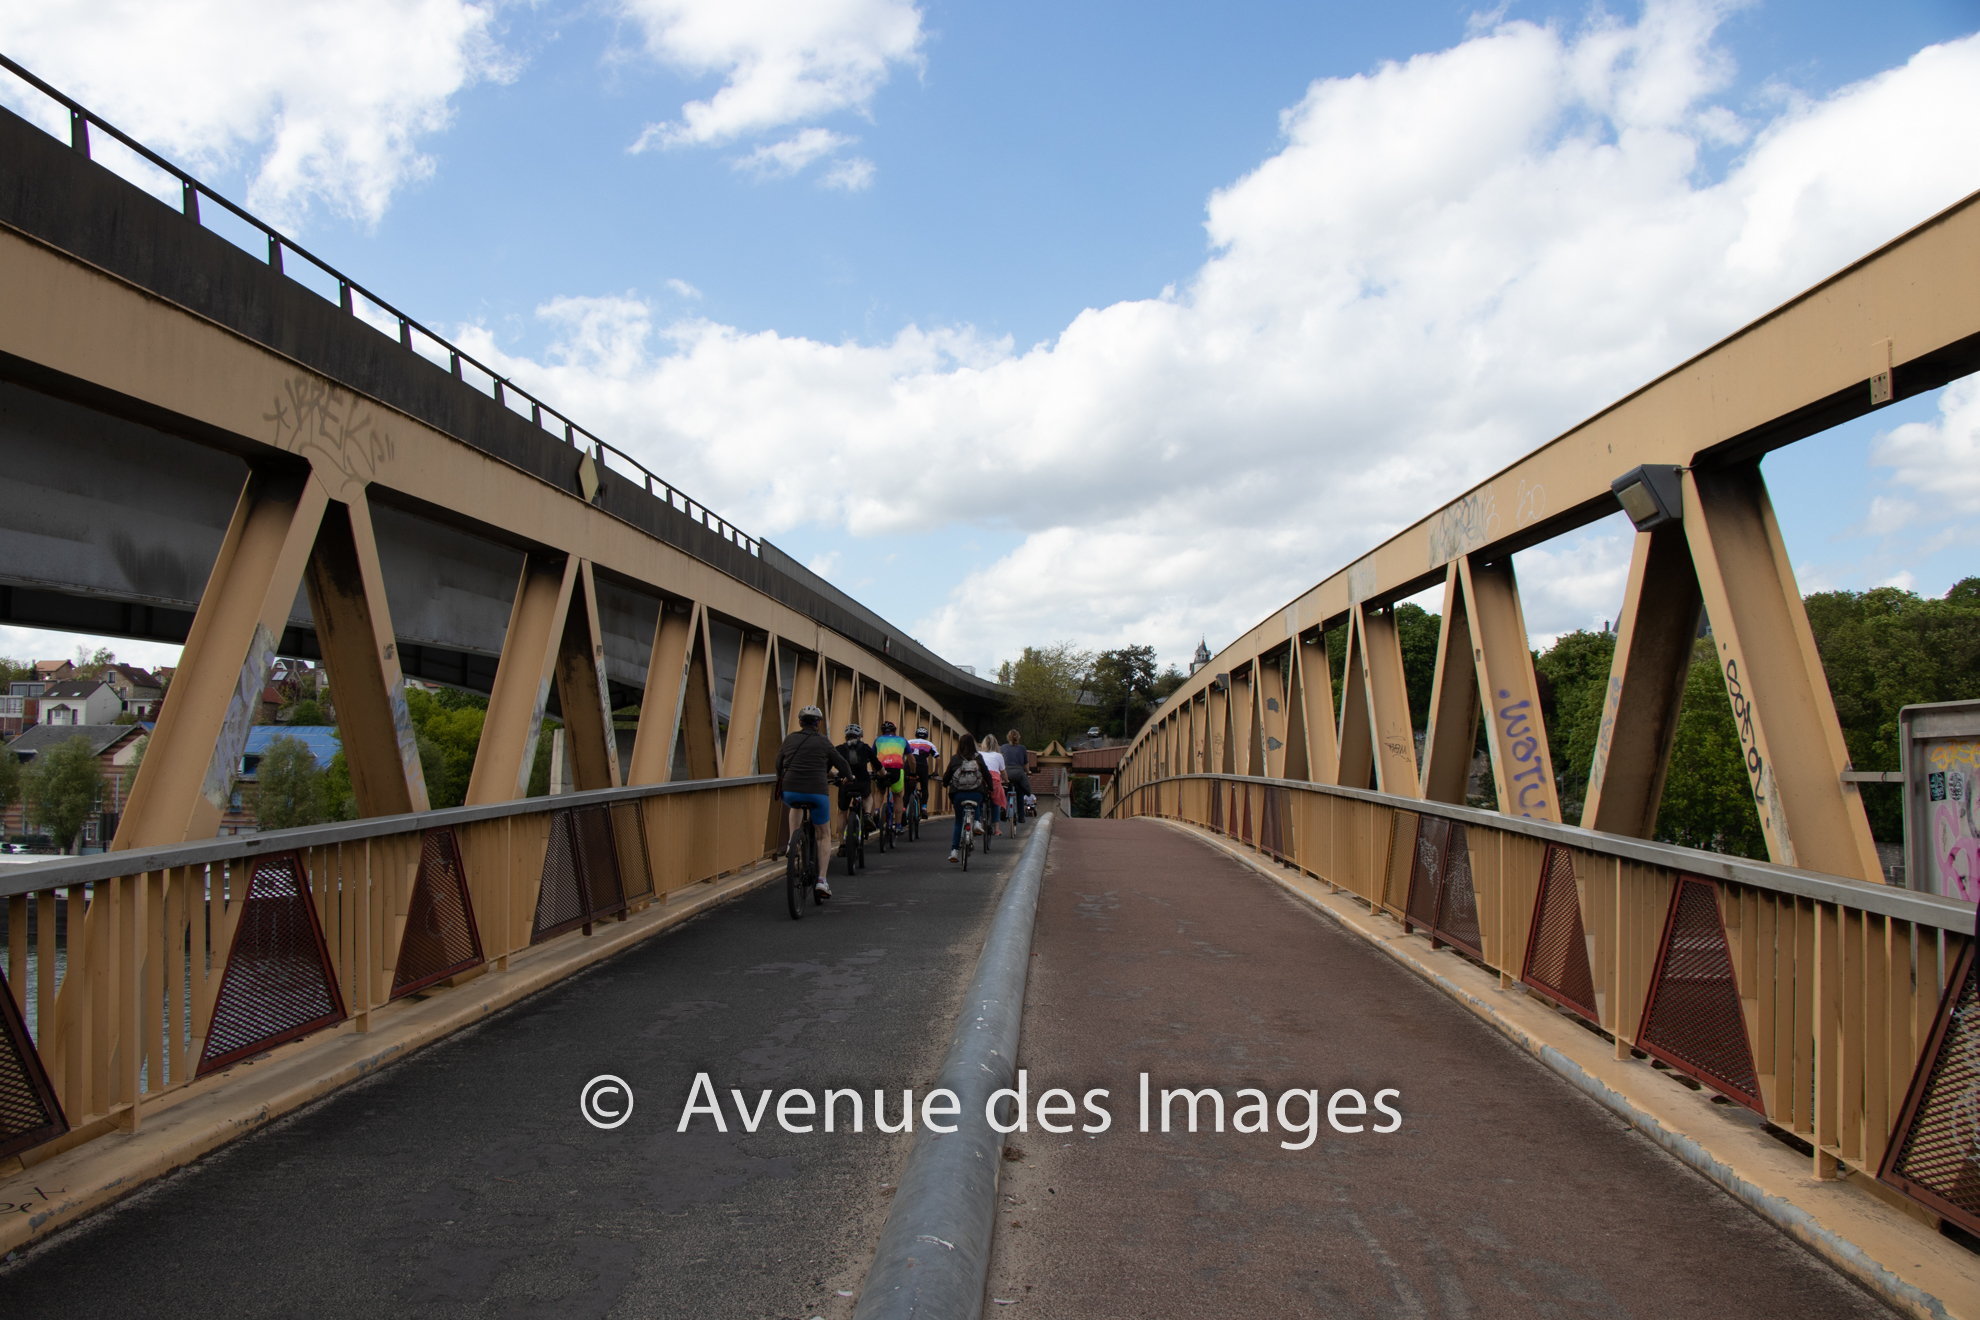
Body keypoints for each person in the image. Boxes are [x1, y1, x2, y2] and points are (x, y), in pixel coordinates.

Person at [775, 705, 853, 899]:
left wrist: (782, 775)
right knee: (823, 835)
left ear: (800, 722)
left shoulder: (790, 739)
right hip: (817, 792)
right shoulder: (823, 741)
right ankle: (821, 881)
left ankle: (792, 842)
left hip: (790, 791)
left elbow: (778, 762)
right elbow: (841, 762)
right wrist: (849, 777)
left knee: (795, 805)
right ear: (818, 724)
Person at [942, 734, 993, 864]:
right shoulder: (978, 758)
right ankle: (976, 822)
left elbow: (947, 776)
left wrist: (945, 783)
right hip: (976, 793)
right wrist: (991, 787)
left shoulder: (955, 758)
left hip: (958, 795)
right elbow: (987, 775)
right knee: (978, 800)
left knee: (959, 821)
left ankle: (954, 851)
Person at [836, 723, 885, 849]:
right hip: (862, 782)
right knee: (867, 796)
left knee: (842, 813)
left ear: (846, 737)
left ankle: (841, 845)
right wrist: (883, 774)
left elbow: (828, 766)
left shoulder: (839, 749)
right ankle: (867, 814)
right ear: (859, 737)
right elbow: (878, 765)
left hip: (845, 783)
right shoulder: (865, 747)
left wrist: (835, 776)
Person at [873, 720, 908, 834]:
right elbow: (911, 759)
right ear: (895, 731)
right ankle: (897, 826)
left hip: (881, 769)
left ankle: (876, 811)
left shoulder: (878, 740)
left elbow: (872, 757)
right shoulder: (902, 740)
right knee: (898, 796)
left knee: (880, 791)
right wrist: (912, 771)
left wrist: (874, 770)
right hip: (896, 769)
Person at [906, 726, 941, 819]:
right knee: (924, 787)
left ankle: (904, 809)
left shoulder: (909, 742)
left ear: (916, 735)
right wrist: (935, 772)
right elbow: (938, 758)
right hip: (922, 766)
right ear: (926, 736)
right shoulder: (929, 744)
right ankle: (924, 808)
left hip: (909, 765)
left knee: (907, 789)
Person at [979, 734, 1008, 837]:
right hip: (994, 780)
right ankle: (996, 829)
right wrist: (1006, 780)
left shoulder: (978, 754)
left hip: (981, 779)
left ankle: (978, 823)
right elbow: (1003, 772)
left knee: (979, 799)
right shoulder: (998, 756)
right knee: (995, 802)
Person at [1003, 728, 1033, 826]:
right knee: (1020, 792)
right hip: (1019, 773)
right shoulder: (1022, 748)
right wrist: (1028, 772)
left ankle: (1003, 809)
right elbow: (1025, 764)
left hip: (1007, 773)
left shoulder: (1003, 748)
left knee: (1005, 790)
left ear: (1008, 737)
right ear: (1018, 737)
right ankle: (1021, 815)